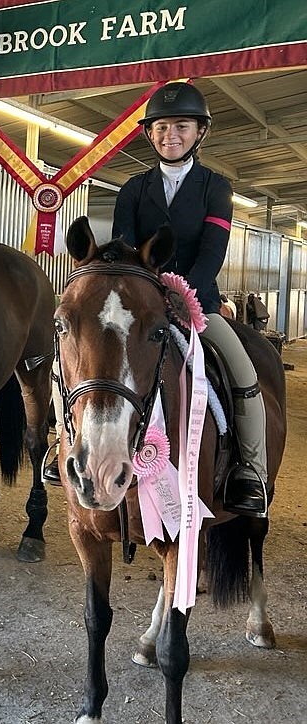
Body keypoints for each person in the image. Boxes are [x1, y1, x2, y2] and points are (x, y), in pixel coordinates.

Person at [110, 81, 269, 518]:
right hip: (141, 308)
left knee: (243, 374)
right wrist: (147, 297)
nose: (169, 135)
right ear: (150, 134)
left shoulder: (216, 188)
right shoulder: (132, 189)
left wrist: (181, 297)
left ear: (200, 132)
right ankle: (67, 448)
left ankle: (250, 471)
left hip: (199, 305)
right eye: (161, 127)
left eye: (181, 126)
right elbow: (124, 251)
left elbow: (212, 251)